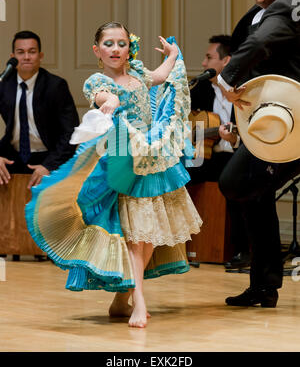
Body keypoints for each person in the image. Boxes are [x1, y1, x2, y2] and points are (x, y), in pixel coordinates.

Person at [25, 22, 202, 328]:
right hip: (122, 158)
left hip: (150, 157)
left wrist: (173, 56)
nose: (116, 49)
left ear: (128, 46)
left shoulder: (137, 74)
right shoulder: (97, 81)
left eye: (121, 43)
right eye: (109, 44)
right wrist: (112, 101)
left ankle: (124, 297)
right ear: (97, 50)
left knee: (146, 236)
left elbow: (159, 77)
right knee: (134, 238)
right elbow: (103, 97)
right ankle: (138, 301)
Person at [217, 0, 300, 307]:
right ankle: (265, 285)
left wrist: (228, 78)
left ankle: (265, 284)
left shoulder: (287, 7)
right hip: (279, 125)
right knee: (248, 188)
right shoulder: (276, 7)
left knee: (240, 183)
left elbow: (262, 42)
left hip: (293, 128)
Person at [188, 35, 250, 269]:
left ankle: (242, 250)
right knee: (178, 175)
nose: (204, 64)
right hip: (207, 156)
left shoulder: (244, 90)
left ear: (227, 61)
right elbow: (183, 120)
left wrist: (233, 138)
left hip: (237, 156)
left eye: (209, 57)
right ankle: (179, 248)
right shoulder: (202, 87)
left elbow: (251, 133)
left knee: (234, 180)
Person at [0, 30, 79, 189]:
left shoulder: (56, 86)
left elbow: (71, 132)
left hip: (48, 156)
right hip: (12, 156)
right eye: (21, 52)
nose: (27, 57)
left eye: (32, 52)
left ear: (40, 56)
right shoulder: (3, 84)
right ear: (12, 57)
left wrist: (49, 166)